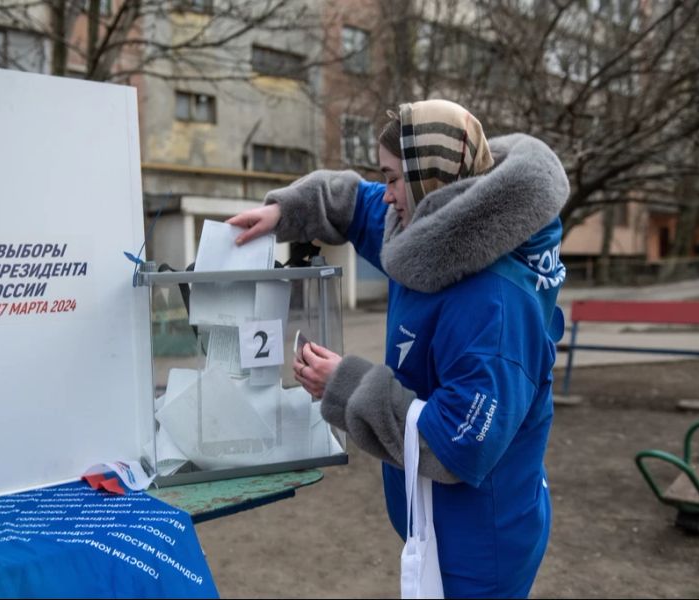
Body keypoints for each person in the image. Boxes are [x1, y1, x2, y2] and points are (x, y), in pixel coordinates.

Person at [227, 99, 569, 598]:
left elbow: (460, 446)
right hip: (435, 527)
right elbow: (353, 203)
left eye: (391, 179)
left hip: (481, 544)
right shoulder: (425, 226)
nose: (384, 196)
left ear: (430, 179)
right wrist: (285, 212)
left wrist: (344, 386)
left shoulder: (494, 305)